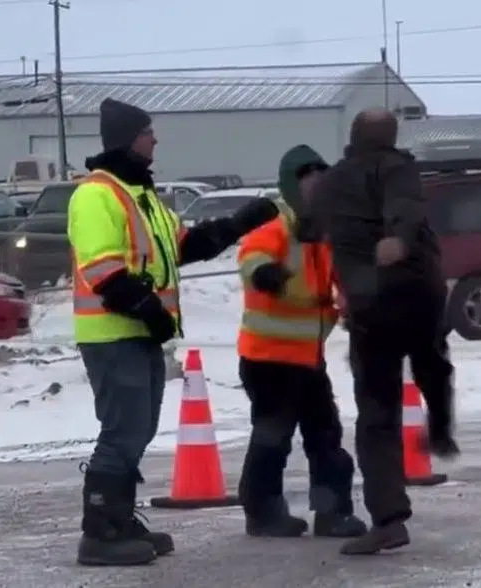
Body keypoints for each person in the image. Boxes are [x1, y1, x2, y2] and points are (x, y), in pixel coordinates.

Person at [68, 98, 281, 566]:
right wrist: (146, 308)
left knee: (138, 430)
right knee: (123, 431)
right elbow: (102, 268)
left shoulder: (141, 196)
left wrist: (240, 223)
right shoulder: (96, 194)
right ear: (129, 139)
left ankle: (119, 519)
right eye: (148, 132)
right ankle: (100, 532)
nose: (155, 140)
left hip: (139, 333)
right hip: (113, 334)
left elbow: (185, 246)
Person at [310, 108, 460, 555]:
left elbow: (309, 224)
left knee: (377, 415)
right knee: (432, 361)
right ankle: (440, 425)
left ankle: (389, 519)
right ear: (391, 137)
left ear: (353, 135)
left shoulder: (334, 180)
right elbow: (405, 206)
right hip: (417, 292)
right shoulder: (399, 168)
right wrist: (398, 235)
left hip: (371, 304)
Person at [235, 145, 367, 539]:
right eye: (310, 184)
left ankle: (332, 513)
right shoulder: (274, 229)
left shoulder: (324, 234)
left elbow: (343, 274)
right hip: (269, 359)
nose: (318, 192)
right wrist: (267, 275)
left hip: (308, 358)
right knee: (273, 438)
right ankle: (262, 513)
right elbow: (251, 259)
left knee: (325, 436)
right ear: (293, 187)